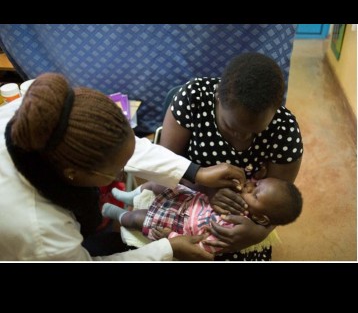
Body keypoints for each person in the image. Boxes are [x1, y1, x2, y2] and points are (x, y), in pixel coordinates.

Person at [0, 73, 249, 261]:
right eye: (117, 170)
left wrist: (196, 172)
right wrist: (167, 248)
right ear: (73, 174)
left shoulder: (41, 118)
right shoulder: (39, 230)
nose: (122, 174)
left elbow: (123, 146)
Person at [157, 52, 304, 261]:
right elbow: (164, 165)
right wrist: (204, 187)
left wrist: (258, 233)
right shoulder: (194, 98)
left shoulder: (284, 130)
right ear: (218, 95)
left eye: (256, 131)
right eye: (231, 127)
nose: (242, 136)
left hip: (243, 227)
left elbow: (279, 202)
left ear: (275, 109)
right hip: (185, 201)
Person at [102, 178, 303, 254]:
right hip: (189, 198)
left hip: (178, 223)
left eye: (255, 194)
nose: (250, 186)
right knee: (158, 183)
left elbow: (201, 245)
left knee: (138, 218)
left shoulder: (233, 228)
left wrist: (169, 237)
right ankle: (130, 195)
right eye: (257, 183)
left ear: (261, 218)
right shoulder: (241, 189)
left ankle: (118, 214)